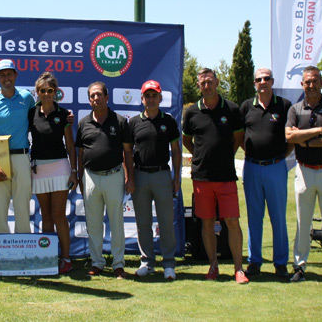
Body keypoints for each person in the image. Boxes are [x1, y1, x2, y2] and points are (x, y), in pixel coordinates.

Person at [182, 67, 248, 284]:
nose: (206, 86)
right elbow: (186, 140)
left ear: (217, 82)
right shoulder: (191, 112)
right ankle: (213, 266)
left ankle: (239, 269)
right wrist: (200, 156)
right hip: (201, 178)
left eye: (210, 81)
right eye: (202, 83)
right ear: (199, 86)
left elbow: (238, 138)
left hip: (226, 177)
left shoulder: (232, 109)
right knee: (207, 224)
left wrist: (225, 156)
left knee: (232, 222)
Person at [75, 81, 134, 279]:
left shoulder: (119, 121)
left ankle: (118, 264)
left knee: (116, 222)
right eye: (92, 95)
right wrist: (80, 178)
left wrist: (129, 177)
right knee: (93, 223)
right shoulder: (83, 123)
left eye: (99, 95)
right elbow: (80, 153)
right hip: (90, 177)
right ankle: (97, 262)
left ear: (107, 97)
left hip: (114, 175)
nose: (96, 98)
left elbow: (127, 152)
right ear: (89, 99)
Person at [240, 67, 292, 279]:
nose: (263, 82)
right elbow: (241, 136)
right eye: (259, 79)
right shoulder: (246, 107)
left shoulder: (284, 105)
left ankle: (280, 263)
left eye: (266, 78)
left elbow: (290, 138)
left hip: (276, 167)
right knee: (254, 217)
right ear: (254, 83)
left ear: (272, 81)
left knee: (278, 216)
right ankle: (255, 262)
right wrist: (254, 154)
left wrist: (280, 157)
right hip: (252, 167)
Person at [129, 80, 181, 280]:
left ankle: (168, 263)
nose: (151, 99)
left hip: (162, 175)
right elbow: (127, 152)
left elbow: (176, 151)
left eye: (154, 95)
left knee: (166, 222)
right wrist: (130, 177)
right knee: (143, 223)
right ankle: (147, 262)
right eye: (147, 96)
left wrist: (176, 177)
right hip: (140, 175)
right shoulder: (133, 122)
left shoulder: (168, 121)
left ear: (160, 98)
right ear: (142, 98)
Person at [28, 72, 78, 274]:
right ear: (37, 92)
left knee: (59, 215)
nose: (46, 94)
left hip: (60, 167)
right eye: (42, 91)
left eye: (50, 90)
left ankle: (66, 258)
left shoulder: (64, 114)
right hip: (38, 168)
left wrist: (74, 171)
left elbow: (71, 145)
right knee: (46, 215)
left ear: (56, 93)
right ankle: (48, 257)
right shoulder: (30, 113)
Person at [0, 59, 36, 234]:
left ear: (15, 75)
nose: (7, 78)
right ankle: (2, 251)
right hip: (0, 158)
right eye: (2, 75)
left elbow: (36, 122)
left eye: (9, 74)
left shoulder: (27, 98)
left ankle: (24, 251)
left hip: (21, 156)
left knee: (22, 205)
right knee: (0, 206)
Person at [284, 65, 322, 282]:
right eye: (307, 82)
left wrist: (304, 138)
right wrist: (319, 132)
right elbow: (290, 137)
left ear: (321, 82)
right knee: (302, 221)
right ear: (302, 84)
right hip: (304, 170)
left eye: (315, 81)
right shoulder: (295, 109)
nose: (311, 85)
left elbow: (298, 137)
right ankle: (299, 266)